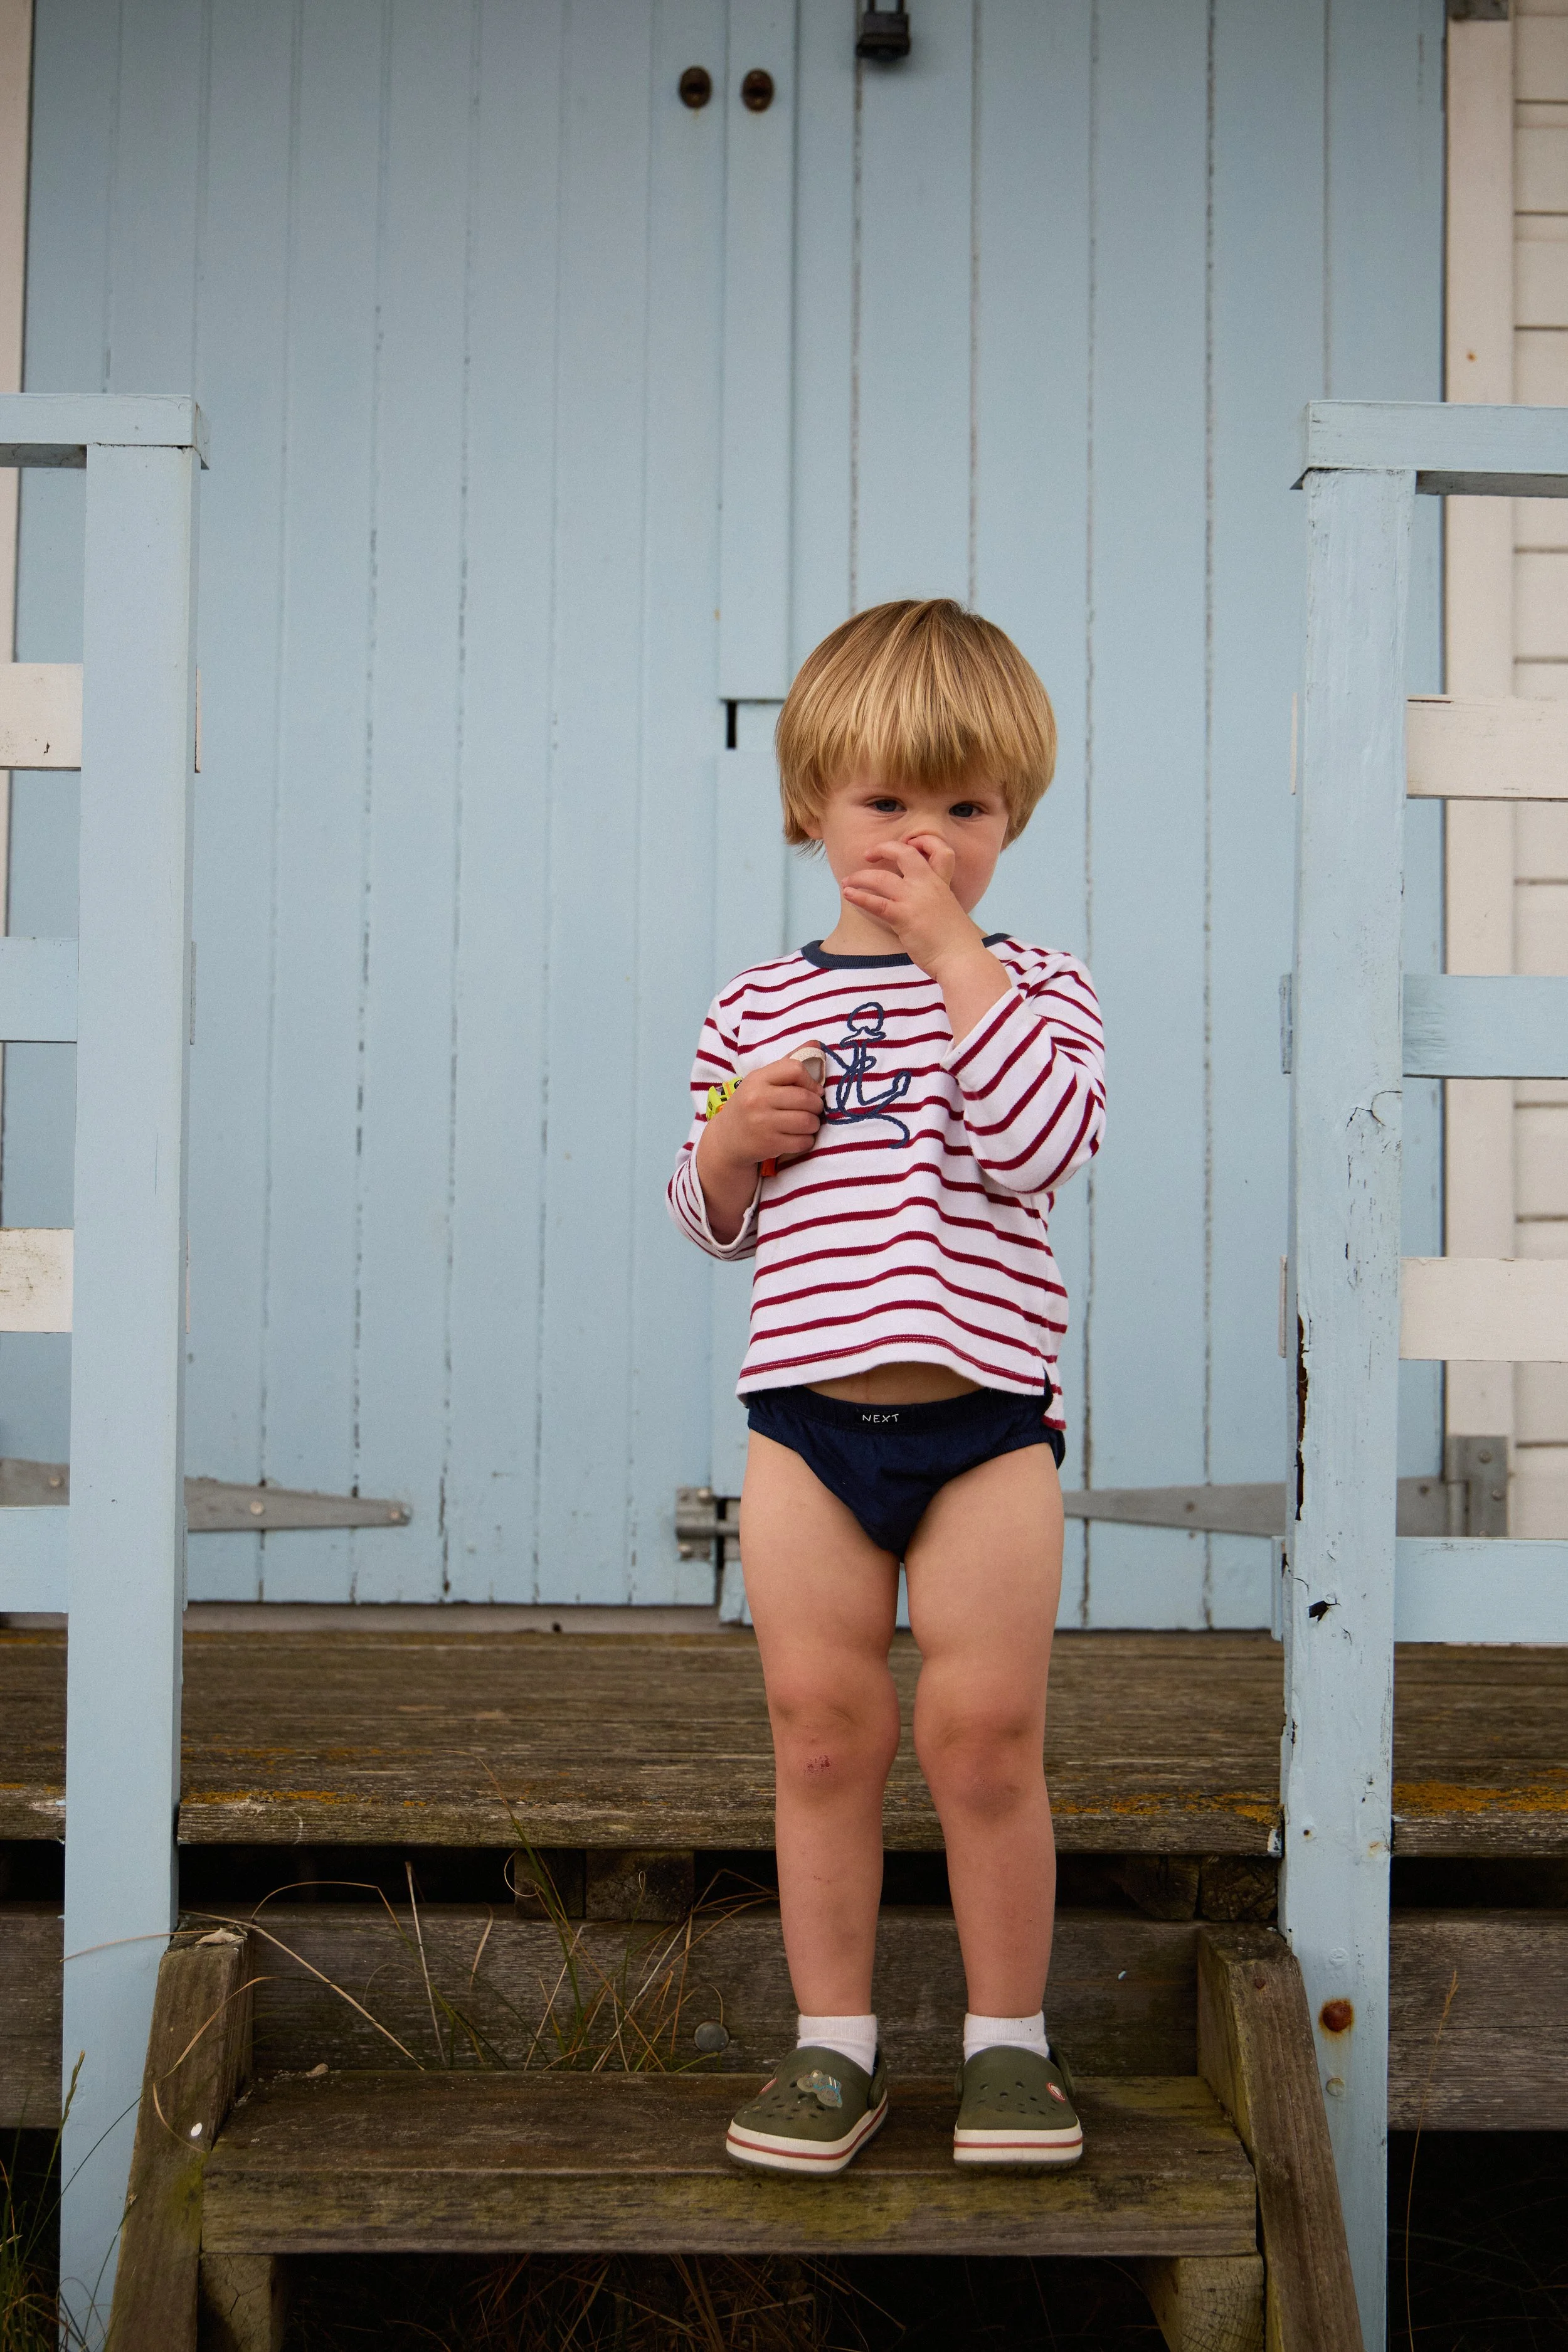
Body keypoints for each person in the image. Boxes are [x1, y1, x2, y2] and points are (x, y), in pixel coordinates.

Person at [667, 599, 1104, 2176]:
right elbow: (710, 1217)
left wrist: (951, 960)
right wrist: (728, 1147)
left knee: (982, 1731)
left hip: (983, 1424)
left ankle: (1007, 2046)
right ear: (809, 810)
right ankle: (831, 2043)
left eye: (964, 809)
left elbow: (1042, 1141)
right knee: (822, 1730)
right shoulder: (753, 1003)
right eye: (885, 804)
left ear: (1011, 820)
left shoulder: (1034, 985)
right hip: (804, 1423)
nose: (924, 839)